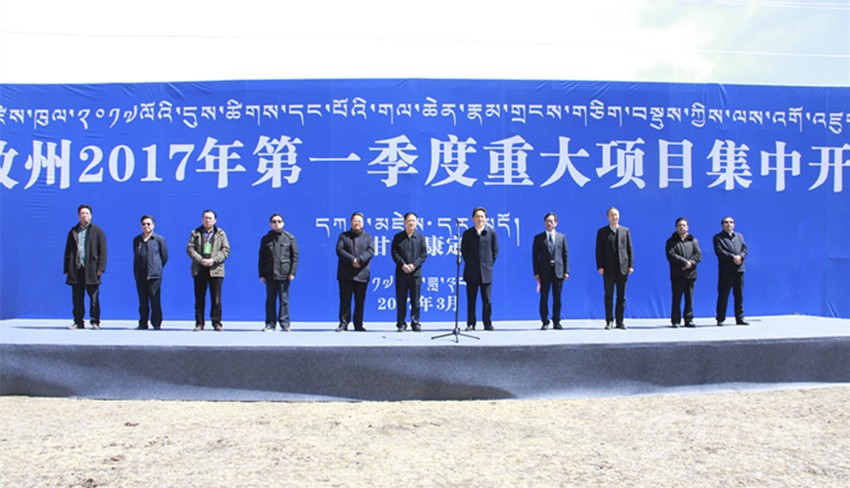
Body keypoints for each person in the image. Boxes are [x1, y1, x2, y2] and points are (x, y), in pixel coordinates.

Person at [63, 204, 107, 329]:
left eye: (87, 213)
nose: (84, 215)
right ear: (78, 216)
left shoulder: (97, 231)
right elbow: (68, 251)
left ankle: (95, 321)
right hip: (76, 269)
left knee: (94, 298)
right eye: (82, 213)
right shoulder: (73, 231)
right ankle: (78, 321)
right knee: (77, 298)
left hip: (92, 269)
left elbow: (103, 251)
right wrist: (66, 269)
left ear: (91, 216)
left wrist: (101, 269)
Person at [186, 209, 230, 331]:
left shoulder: (221, 233)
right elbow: (190, 249)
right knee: (199, 298)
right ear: (202, 219)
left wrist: (213, 260)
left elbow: (226, 250)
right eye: (205, 218)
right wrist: (200, 260)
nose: (207, 220)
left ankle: (216, 322)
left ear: (215, 220)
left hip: (216, 270)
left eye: (210, 218)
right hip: (199, 269)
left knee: (216, 299)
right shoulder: (195, 233)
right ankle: (199, 323)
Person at [335, 212, 375, 332]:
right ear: (351, 222)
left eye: (359, 221)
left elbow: (371, 251)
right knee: (345, 300)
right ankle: (343, 323)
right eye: (354, 221)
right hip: (346, 274)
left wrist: (360, 260)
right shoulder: (344, 236)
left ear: (363, 223)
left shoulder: (368, 237)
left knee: (360, 301)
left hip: (362, 274)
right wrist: (352, 260)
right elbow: (339, 250)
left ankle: (358, 324)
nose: (357, 223)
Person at [258, 213, 298, 332]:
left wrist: (292, 273)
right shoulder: (265, 239)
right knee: (270, 300)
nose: (277, 224)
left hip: (284, 274)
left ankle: (285, 323)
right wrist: (261, 274)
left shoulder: (289, 238)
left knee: (284, 300)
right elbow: (261, 258)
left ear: (283, 223)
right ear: (270, 224)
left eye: (279, 221)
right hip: (270, 274)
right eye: (274, 222)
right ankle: (270, 323)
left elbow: (295, 257)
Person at [595, 207, 633, 330]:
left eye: (616, 215)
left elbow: (629, 249)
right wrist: (600, 266)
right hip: (608, 269)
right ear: (608, 217)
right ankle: (609, 321)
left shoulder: (625, 231)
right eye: (612, 215)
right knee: (609, 295)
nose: (614, 217)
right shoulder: (602, 232)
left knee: (621, 296)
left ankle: (620, 321)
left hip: (622, 268)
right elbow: (598, 251)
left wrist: (630, 265)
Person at [461, 207, 499, 331]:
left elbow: (495, 251)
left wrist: (488, 264)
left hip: (486, 272)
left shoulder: (491, 233)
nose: (480, 219)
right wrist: (471, 263)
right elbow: (464, 251)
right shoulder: (467, 234)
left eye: (482, 217)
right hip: (471, 272)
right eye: (477, 216)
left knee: (487, 300)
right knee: (471, 300)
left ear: (486, 219)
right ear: (473, 218)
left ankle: (487, 323)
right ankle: (471, 323)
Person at [391, 212, 428, 332]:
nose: (411, 223)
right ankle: (401, 323)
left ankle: (415, 322)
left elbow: (423, 254)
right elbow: (394, 253)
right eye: (409, 221)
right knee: (401, 299)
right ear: (404, 222)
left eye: (413, 221)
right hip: (401, 273)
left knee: (415, 299)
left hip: (415, 273)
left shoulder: (420, 238)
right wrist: (403, 264)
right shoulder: (398, 237)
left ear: (416, 223)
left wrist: (414, 265)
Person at [532, 212, 569, 330]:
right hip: (544, 272)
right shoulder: (538, 238)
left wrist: (566, 271)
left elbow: (565, 255)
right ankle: (545, 321)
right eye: (547, 221)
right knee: (544, 297)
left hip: (558, 271)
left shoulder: (561, 237)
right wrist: (536, 272)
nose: (549, 223)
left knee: (557, 298)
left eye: (552, 221)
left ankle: (556, 321)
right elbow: (535, 257)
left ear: (556, 223)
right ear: (544, 223)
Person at [133, 215, 169, 330]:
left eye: (148, 224)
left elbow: (164, 257)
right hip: (140, 275)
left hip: (154, 276)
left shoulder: (159, 239)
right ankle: (143, 323)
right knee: (142, 301)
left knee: (155, 301)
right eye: (143, 224)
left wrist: (156, 268)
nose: (146, 226)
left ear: (153, 225)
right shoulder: (137, 240)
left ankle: (156, 323)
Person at [665, 217, 701, 328]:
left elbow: (698, 255)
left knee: (689, 299)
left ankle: (689, 319)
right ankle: (676, 320)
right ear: (676, 227)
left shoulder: (693, 241)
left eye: (684, 225)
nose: (682, 227)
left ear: (687, 227)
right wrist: (685, 262)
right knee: (677, 298)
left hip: (691, 274)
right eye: (679, 225)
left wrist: (691, 262)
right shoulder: (671, 241)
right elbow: (671, 255)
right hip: (677, 274)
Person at [714, 216, 749, 326]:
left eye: (731, 222)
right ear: (722, 225)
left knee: (739, 295)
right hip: (726, 271)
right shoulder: (718, 237)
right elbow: (719, 252)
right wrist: (732, 257)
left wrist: (740, 257)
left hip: (739, 269)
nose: (729, 224)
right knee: (723, 295)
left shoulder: (739, 236)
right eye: (726, 222)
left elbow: (744, 249)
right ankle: (720, 318)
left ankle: (740, 318)